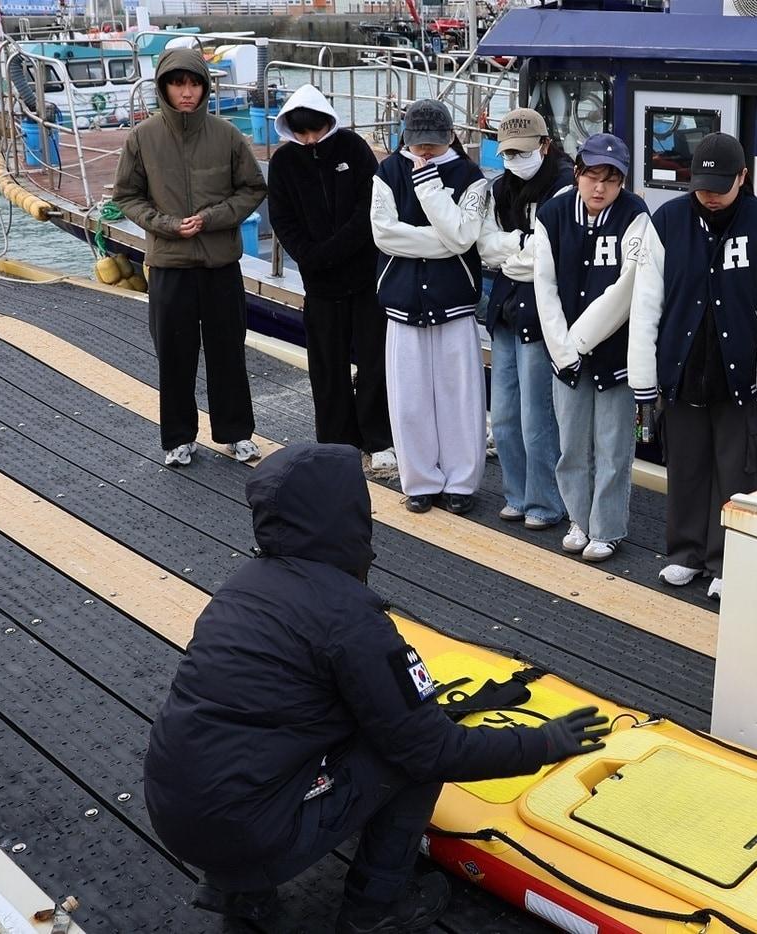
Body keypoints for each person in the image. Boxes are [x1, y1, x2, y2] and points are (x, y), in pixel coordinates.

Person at [144, 444, 609, 931]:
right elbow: (433, 751)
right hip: (246, 831)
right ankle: (375, 907)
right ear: (346, 518)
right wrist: (543, 743)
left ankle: (238, 893)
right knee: (409, 759)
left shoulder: (242, 587)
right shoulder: (350, 621)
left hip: (175, 811)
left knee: (259, 743)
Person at [630, 133, 757, 600]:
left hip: (740, 376)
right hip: (682, 373)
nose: (710, 195)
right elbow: (646, 303)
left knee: (737, 473)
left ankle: (727, 561)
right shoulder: (667, 221)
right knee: (686, 467)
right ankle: (685, 553)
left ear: (743, 177)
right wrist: (644, 379)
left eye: (721, 186)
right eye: (701, 186)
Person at [113, 49, 266, 468]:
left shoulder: (226, 135)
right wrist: (164, 224)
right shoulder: (142, 138)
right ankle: (178, 438)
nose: (186, 92)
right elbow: (126, 195)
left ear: (205, 87)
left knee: (228, 352)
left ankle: (236, 433)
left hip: (221, 265)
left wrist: (213, 218)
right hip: (169, 265)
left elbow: (253, 188)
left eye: (194, 83)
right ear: (163, 87)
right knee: (174, 355)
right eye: (178, 83)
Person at [533, 134, 650, 562]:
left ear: (623, 182)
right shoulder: (553, 214)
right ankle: (578, 519)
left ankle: (608, 527)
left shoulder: (636, 216)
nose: (600, 188)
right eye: (592, 176)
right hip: (565, 354)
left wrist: (577, 341)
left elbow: (626, 288)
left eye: (611, 179)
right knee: (571, 446)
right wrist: (563, 349)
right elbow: (543, 284)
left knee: (615, 447)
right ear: (578, 172)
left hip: (614, 353)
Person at [370, 99, 490, 515]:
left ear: (450, 137)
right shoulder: (387, 172)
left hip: (454, 301)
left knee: (461, 397)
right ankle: (419, 481)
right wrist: (443, 240)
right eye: (418, 142)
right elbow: (384, 235)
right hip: (403, 300)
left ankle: (462, 482)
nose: (424, 150)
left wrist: (428, 188)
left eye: (433, 143)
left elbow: (464, 236)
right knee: (409, 399)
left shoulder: (471, 178)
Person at [268, 86, 395, 472]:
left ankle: (379, 437)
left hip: (364, 278)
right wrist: (311, 256)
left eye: (316, 131)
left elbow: (369, 207)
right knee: (327, 367)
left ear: (329, 123)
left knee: (375, 362)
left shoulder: (353, 149)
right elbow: (282, 218)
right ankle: (338, 441)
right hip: (320, 285)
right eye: (302, 132)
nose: (310, 139)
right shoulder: (283, 162)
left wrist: (330, 251)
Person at [477, 108, 571, 531]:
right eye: (509, 154)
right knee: (503, 415)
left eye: (523, 151)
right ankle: (516, 494)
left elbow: (546, 256)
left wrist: (510, 253)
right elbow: (484, 246)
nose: (515, 160)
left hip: (540, 314)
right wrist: (522, 247)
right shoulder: (500, 188)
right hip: (505, 313)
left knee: (538, 418)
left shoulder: (564, 186)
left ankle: (545, 501)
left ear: (545, 145)